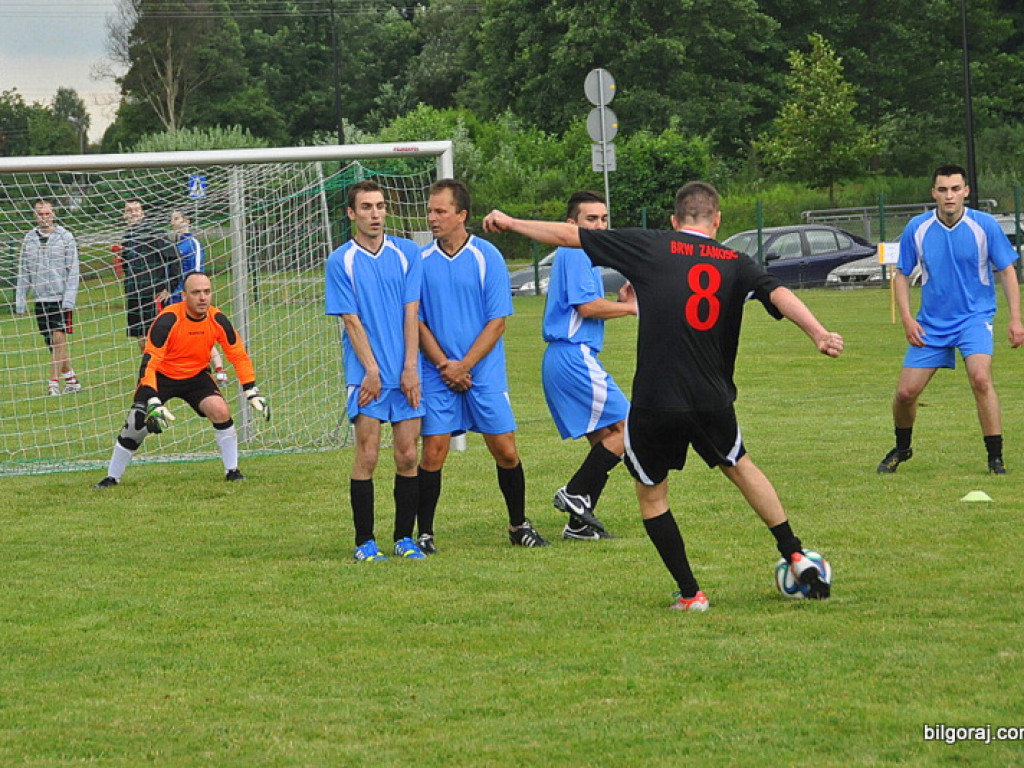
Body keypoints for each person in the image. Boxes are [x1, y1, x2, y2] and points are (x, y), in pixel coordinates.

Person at [484, 181, 841, 610]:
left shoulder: (652, 246)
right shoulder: (734, 261)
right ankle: (795, 552)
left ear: (674, 220)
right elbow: (778, 293)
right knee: (742, 467)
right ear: (717, 220)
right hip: (711, 396)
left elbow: (569, 236)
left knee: (653, 495)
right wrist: (818, 333)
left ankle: (691, 594)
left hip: (656, 399)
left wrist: (510, 222)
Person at [417, 179, 548, 550]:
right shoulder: (421, 261)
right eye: (430, 210)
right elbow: (418, 321)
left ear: (462, 215)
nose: (432, 218)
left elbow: (497, 322)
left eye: (440, 211)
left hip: (483, 369)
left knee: (505, 450)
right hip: (437, 369)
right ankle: (424, 534)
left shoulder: (487, 256)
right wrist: (446, 364)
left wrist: (465, 365)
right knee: (434, 451)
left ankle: (518, 525)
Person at [877, 163, 1024, 475]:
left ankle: (995, 457)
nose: (949, 195)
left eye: (955, 189)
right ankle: (902, 449)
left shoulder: (984, 226)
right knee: (905, 394)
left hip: (975, 317)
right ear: (934, 193)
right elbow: (901, 274)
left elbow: (1007, 271)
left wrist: (1016, 319)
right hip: (931, 323)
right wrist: (907, 319)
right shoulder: (917, 228)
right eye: (942, 190)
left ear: (966, 192)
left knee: (981, 379)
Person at [325, 180, 426, 562]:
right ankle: (364, 542)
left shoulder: (407, 253)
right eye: (366, 207)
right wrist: (372, 370)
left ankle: (405, 538)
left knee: (407, 456)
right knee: (367, 455)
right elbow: (350, 320)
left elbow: (411, 312)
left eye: (380, 206)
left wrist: (410, 367)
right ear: (352, 214)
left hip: (405, 373)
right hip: (365, 375)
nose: (375, 214)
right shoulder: (341, 260)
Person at [93, 271, 270, 489]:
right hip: (161, 376)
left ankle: (232, 471)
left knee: (220, 410)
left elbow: (237, 354)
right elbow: (149, 362)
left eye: (207, 292)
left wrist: (250, 388)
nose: (202, 297)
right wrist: (152, 401)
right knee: (136, 426)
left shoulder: (217, 319)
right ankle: (112, 477)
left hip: (196, 376)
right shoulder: (168, 319)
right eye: (196, 292)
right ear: (184, 295)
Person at [541, 191, 636, 540]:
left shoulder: (581, 254)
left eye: (603, 219)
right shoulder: (577, 250)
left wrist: (617, 302)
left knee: (607, 438)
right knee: (631, 427)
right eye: (590, 219)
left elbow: (586, 306)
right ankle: (576, 491)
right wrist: (632, 308)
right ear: (572, 224)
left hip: (565, 357)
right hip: (573, 357)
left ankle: (579, 524)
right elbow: (587, 308)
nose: (599, 225)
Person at [15, 199, 82, 396]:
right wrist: (21, 300)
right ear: (34, 216)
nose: (44, 217)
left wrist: (69, 299)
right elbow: (23, 271)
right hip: (40, 299)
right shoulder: (29, 239)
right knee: (52, 344)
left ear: (53, 214)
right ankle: (71, 379)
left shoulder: (65, 237)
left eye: (47, 214)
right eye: (40, 214)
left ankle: (53, 383)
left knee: (59, 339)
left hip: (60, 298)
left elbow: (73, 270)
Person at [168, 208, 226, 385]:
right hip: (177, 295)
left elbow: (198, 270)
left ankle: (220, 370)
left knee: (202, 332)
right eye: (172, 219)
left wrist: (195, 292)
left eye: (177, 218)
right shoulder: (176, 245)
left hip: (190, 296)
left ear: (187, 221)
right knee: (181, 335)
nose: (173, 222)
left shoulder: (193, 244)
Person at [119, 197, 180, 352]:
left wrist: (168, 286)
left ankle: (163, 373)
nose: (133, 214)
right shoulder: (127, 237)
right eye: (129, 211)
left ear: (143, 213)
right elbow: (126, 265)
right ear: (124, 215)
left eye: (136, 210)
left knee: (155, 337)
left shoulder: (154, 233)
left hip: (152, 293)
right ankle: (149, 372)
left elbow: (174, 258)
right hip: (134, 294)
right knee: (140, 336)